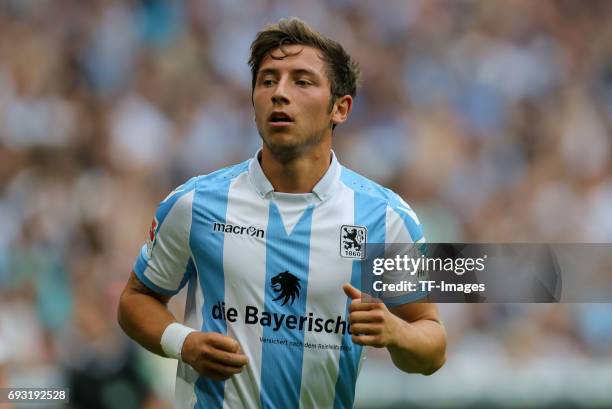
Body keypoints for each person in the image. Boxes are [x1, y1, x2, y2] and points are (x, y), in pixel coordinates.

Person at [118, 17, 446, 409]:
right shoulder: (195, 204)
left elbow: (433, 345)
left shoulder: (384, 217)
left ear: (340, 108)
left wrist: (396, 332)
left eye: (302, 81)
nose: (279, 93)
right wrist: (182, 342)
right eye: (268, 80)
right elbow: (135, 300)